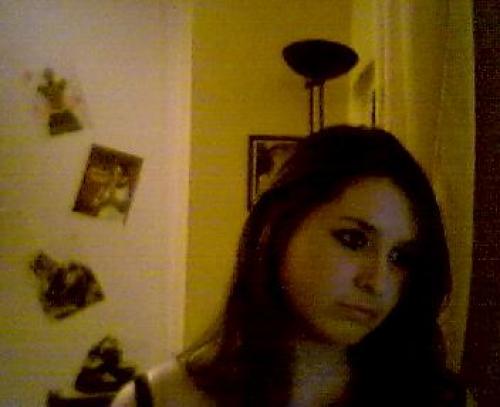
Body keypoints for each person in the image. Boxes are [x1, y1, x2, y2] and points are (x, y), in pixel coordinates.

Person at [112, 125, 471, 406]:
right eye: (353, 240)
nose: (377, 282)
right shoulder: (155, 399)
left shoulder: (440, 400)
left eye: (400, 258)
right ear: (278, 228)